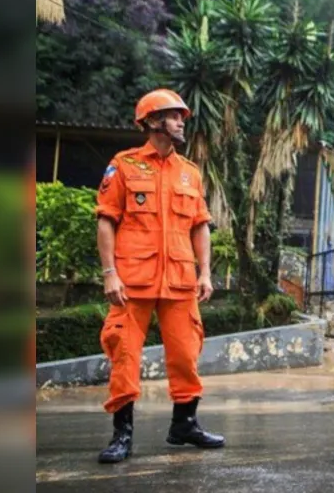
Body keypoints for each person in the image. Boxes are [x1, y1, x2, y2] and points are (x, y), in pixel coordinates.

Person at [94, 89, 225, 464]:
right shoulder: (124, 165)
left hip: (181, 280)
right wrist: (110, 274)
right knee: (125, 354)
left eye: (182, 116)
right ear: (152, 122)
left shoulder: (190, 173)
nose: (182, 121)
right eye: (174, 115)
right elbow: (106, 220)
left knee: (186, 354)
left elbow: (201, 226)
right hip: (131, 281)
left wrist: (205, 273)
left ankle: (184, 425)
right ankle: (123, 434)